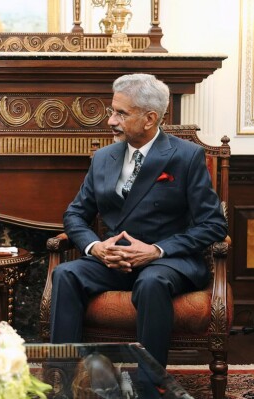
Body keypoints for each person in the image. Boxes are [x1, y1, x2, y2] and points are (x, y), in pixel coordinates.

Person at [49, 73, 227, 367]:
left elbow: (213, 225)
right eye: (112, 111)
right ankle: (65, 379)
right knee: (66, 274)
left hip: (168, 262)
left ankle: (150, 384)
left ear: (150, 118)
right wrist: (95, 247)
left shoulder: (187, 157)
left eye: (121, 113)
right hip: (114, 261)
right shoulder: (103, 157)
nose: (110, 121)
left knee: (151, 281)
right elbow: (75, 214)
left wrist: (156, 250)